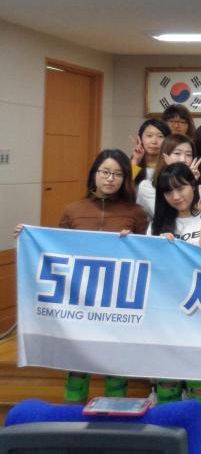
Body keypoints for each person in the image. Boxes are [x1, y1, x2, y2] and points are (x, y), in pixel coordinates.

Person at [14, 149, 148, 406]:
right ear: (94, 174)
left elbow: (147, 256)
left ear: (125, 179)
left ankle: (114, 419)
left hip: (117, 302)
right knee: (76, 366)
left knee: (115, 365)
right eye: (105, 172)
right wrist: (29, 236)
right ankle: (72, 420)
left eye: (118, 174)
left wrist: (133, 243)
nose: (110, 179)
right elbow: (56, 249)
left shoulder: (136, 212)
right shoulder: (72, 210)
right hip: (77, 301)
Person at [148, 162, 201, 440]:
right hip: (166, 311)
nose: (176, 196)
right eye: (168, 192)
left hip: (200, 309)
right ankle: (165, 436)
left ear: (193, 185)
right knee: (166, 378)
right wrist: (159, 247)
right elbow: (149, 266)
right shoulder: (157, 224)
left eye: (180, 188)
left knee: (198, 378)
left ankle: (198, 435)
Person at [136, 133, 201, 218]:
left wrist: (193, 183)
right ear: (165, 156)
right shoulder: (147, 186)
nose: (183, 160)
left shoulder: (199, 181)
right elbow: (165, 214)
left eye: (188, 155)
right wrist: (175, 175)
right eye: (177, 153)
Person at [129, 118, 170, 184]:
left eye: (160, 136)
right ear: (140, 138)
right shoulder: (133, 163)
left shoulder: (170, 164)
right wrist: (136, 160)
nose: (154, 141)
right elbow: (126, 184)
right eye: (149, 136)